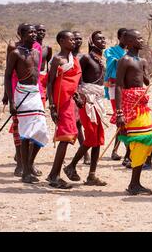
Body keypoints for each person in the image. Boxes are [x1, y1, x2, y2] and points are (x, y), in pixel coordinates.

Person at [114, 30, 152, 195]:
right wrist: (119, 113)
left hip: (142, 104)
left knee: (148, 139)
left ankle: (135, 182)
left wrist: (147, 76)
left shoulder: (143, 60)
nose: (141, 40)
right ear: (130, 41)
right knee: (140, 141)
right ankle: (134, 184)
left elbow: (144, 80)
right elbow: (118, 85)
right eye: (138, 38)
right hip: (130, 105)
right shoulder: (124, 60)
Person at [4, 24, 49, 184]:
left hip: (36, 93)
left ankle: (29, 165)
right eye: (30, 32)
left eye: (35, 32)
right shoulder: (15, 53)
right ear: (21, 35)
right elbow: (8, 76)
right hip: (21, 93)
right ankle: (25, 171)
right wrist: (11, 101)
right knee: (25, 133)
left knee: (41, 131)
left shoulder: (37, 52)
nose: (34, 34)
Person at [63, 31, 108, 186]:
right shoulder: (86, 58)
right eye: (99, 39)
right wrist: (78, 97)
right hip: (87, 99)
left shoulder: (102, 59)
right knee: (90, 137)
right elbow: (77, 78)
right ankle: (71, 166)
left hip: (99, 100)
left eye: (103, 38)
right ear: (92, 42)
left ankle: (92, 175)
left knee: (98, 139)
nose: (103, 40)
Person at [46, 31, 83, 189]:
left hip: (71, 101)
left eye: (75, 39)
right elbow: (50, 83)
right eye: (71, 39)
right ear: (61, 41)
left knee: (67, 137)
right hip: (61, 102)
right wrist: (52, 106)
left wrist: (77, 98)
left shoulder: (74, 59)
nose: (74, 41)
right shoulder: (57, 59)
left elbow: (73, 83)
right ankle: (54, 175)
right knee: (65, 137)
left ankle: (53, 174)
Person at [104, 28, 128, 162]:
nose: (127, 39)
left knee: (128, 120)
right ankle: (118, 151)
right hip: (115, 88)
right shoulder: (110, 51)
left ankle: (121, 151)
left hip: (128, 89)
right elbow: (111, 63)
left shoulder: (131, 52)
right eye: (125, 37)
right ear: (119, 37)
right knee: (120, 120)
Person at [72, 31, 90, 165]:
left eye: (79, 38)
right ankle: (85, 153)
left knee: (85, 122)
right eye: (74, 39)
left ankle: (85, 151)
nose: (77, 41)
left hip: (82, 91)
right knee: (77, 123)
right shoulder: (63, 57)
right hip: (70, 92)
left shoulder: (83, 57)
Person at [35, 24, 52, 106]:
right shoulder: (29, 47)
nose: (41, 32)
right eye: (39, 30)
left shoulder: (48, 48)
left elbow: (49, 67)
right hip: (30, 78)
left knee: (41, 103)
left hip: (42, 78)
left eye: (43, 30)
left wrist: (48, 89)